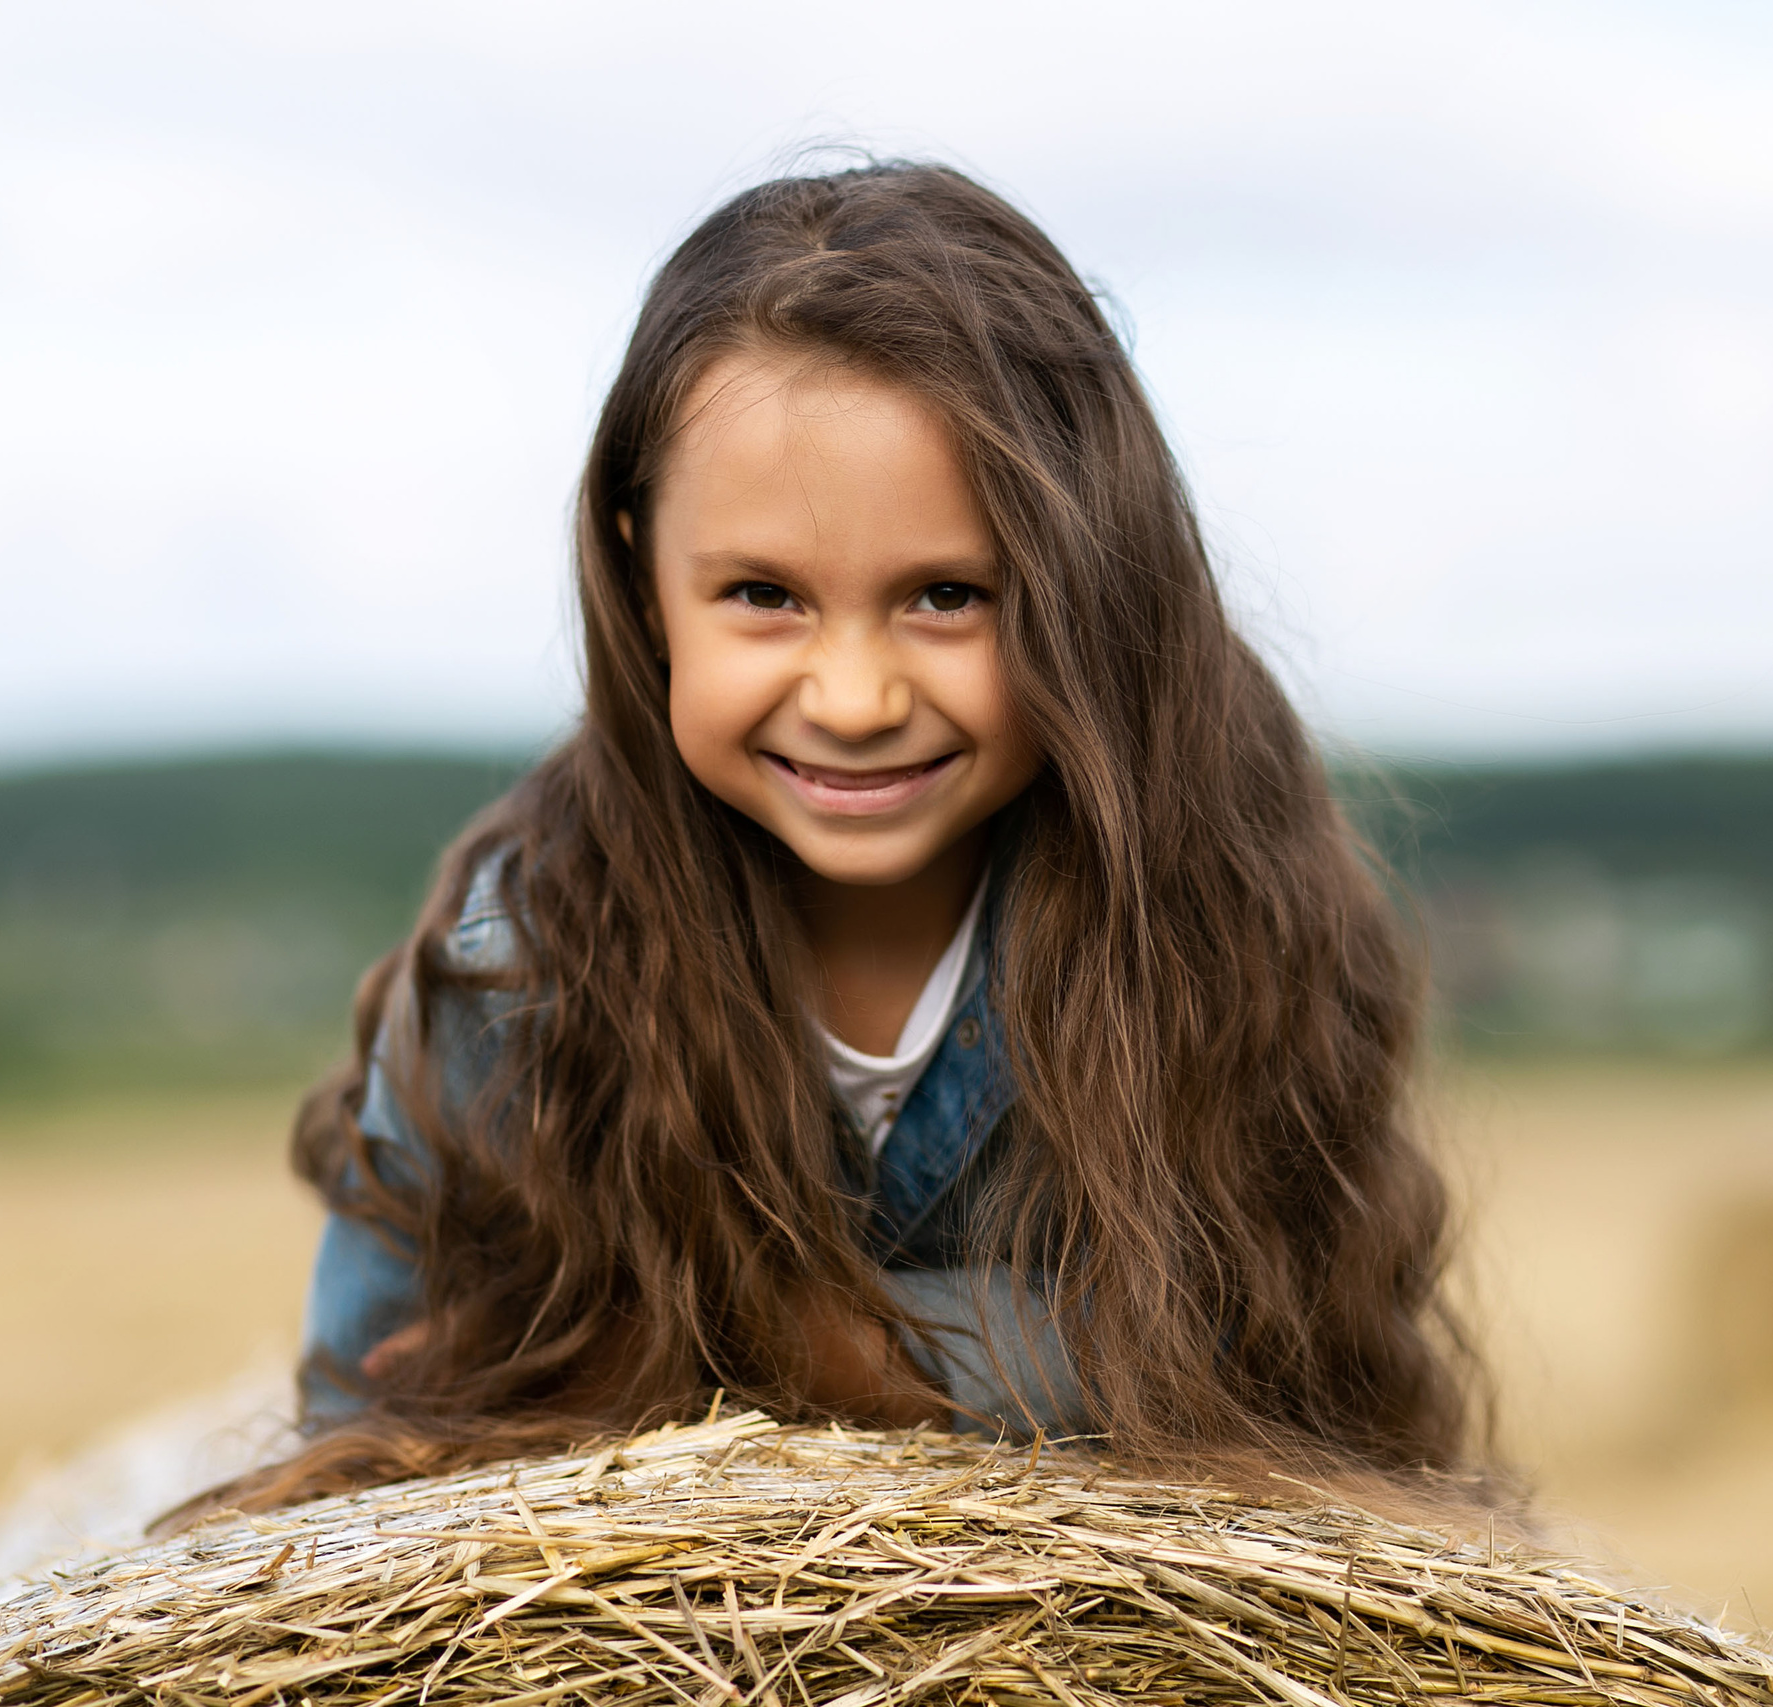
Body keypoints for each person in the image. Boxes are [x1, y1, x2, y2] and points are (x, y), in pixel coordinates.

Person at [263, 161, 1474, 1506]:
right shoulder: (521, 971)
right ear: (642, 577)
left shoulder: (1217, 922)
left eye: (948, 595)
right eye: (764, 595)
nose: (854, 699)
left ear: (1090, 585)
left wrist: (749, 1344)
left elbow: (1252, 1368)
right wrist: (997, 1351)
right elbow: (364, 1416)